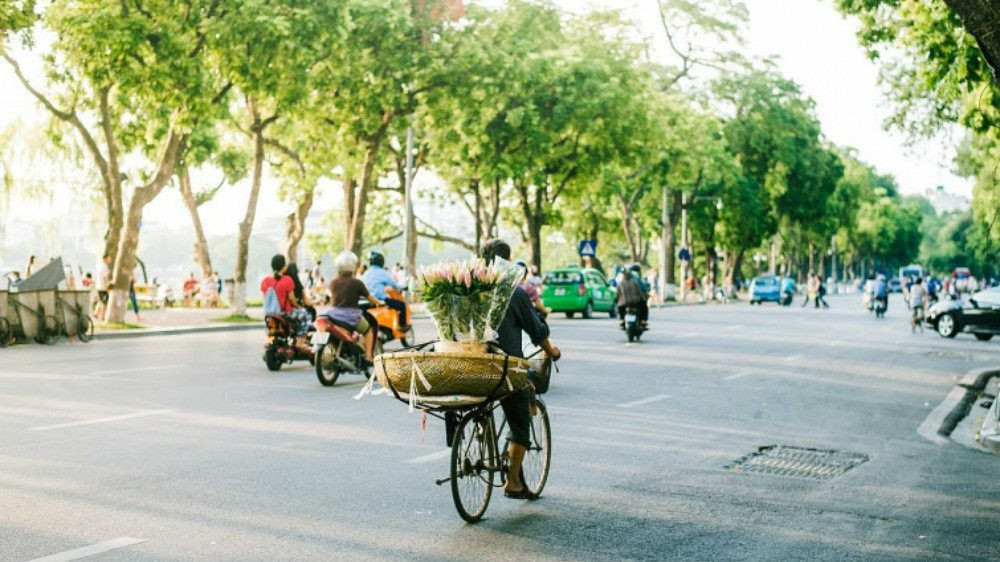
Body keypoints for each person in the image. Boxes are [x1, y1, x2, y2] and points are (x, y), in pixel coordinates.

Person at [475, 238, 561, 499]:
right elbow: (536, 330)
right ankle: (513, 482)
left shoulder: (470, 286)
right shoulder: (515, 291)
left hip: (471, 366)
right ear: (508, 260)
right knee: (521, 421)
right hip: (505, 368)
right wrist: (552, 351)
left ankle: (478, 432)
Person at [323, 252, 384, 364]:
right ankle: (369, 356)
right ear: (353, 266)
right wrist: (380, 303)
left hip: (333, 314)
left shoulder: (333, 282)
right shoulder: (356, 282)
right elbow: (370, 298)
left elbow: (329, 298)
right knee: (368, 331)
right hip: (351, 316)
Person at [361, 251, 408, 329]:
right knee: (402, 305)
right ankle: (402, 326)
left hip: (367, 300)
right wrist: (405, 287)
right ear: (381, 261)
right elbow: (395, 285)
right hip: (380, 300)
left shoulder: (366, 273)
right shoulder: (382, 272)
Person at [285, 263, 315, 341]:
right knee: (310, 314)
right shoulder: (298, 284)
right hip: (295, 310)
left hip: (285, 310)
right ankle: (301, 339)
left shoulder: (283, 281)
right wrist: (316, 302)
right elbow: (307, 302)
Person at [96, 254, 112, 319]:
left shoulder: (98, 265)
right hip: (103, 287)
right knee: (104, 303)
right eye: (109, 258)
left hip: (98, 286)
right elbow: (105, 278)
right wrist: (107, 287)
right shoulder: (104, 266)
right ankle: (102, 317)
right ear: (105, 258)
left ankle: (96, 313)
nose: (110, 260)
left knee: (101, 301)